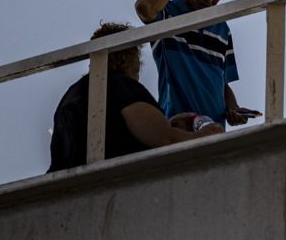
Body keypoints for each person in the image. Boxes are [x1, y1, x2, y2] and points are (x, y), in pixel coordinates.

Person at [48, 22, 223, 171]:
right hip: (116, 186)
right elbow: (165, 139)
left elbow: (116, 130)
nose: (139, 66)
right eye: (137, 57)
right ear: (125, 56)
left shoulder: (74, 94)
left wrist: (165, 122)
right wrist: (206, 135)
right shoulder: (121, 86)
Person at [134, 0, 260, 127]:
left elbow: (220, 81)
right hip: (177, 126)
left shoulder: (222, 29)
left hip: (214, 130)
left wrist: (233, 108)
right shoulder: (167, 14)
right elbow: (144, 8)